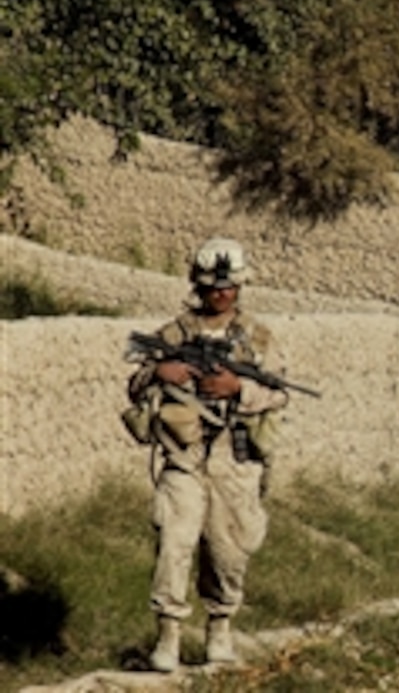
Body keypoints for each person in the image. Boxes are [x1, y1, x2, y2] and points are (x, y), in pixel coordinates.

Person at [126, 238, 289, 672]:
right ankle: (169, 637)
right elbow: (136, 383)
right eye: (214, 285)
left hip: (233, 461)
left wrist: (239, 389)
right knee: (174, 543)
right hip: (184, 457)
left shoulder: (257, 339)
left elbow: (278, 393)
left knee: (228, 551)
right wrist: (161, 371)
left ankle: (220, 628)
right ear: (199, 285)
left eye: (230, 286)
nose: (222, 293)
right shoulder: (174, 335)